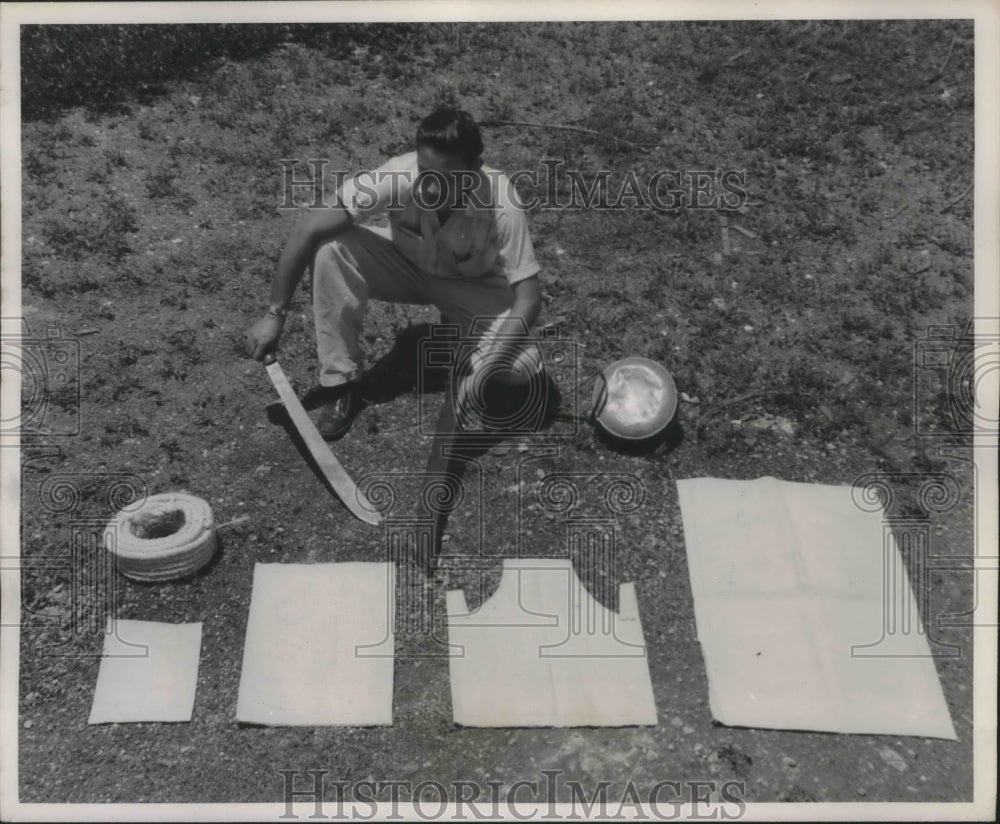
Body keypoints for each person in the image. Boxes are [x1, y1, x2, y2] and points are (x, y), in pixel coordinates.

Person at [244, 107, 546, 440]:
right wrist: (275, 314)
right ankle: (342, 382)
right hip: (408, 269)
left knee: (519, 367)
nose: (431, 187)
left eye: (446, 178)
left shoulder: (501, 201)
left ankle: (460, 338)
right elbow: (310, 226)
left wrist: (486, 371)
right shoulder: (397, 176)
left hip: (470, 287)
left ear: (474, 170)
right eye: (425, 171)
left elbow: (529, 300)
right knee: (332, 247)